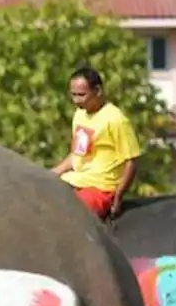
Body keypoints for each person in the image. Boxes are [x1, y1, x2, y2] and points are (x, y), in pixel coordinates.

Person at [51, 66, 143, 220]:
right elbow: (77, 155)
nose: (76, 100)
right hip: (75, 180)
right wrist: (52, 173)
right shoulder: (79, 114)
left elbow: (131, 161)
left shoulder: (115, 119)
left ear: (98, 91)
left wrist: (118, 196)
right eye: (73, 95)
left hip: (100, 187)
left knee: (72, 217)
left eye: (81, 95)